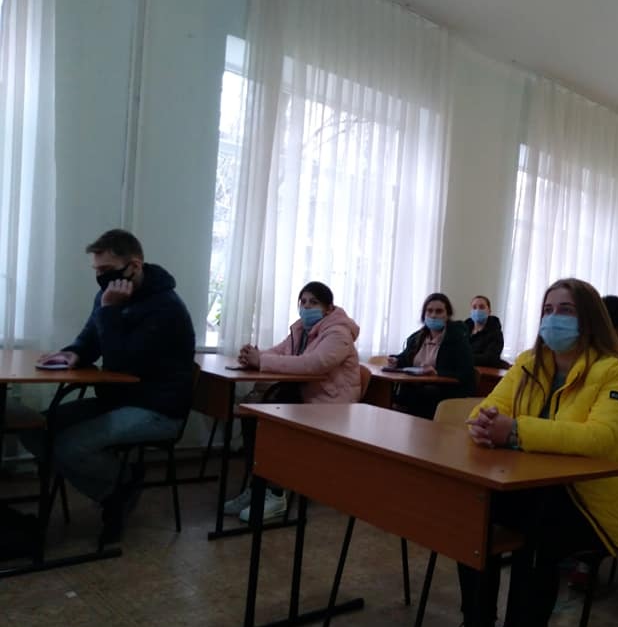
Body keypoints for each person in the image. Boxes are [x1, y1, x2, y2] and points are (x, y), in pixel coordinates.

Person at [423, 278, 618, 627]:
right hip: (537, 486)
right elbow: (485, 409)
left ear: (589, 319)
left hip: (599, 496)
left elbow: (601, 438)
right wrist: (484, 424)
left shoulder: (617, 371)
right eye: (547, 310)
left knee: (539, 539)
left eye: (566, 310)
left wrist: (514, 431)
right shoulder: (531, 362)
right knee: (472, 517)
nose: (553, 318)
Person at [26, 229, 195, 540]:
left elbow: (120, 364)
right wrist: (72, 353)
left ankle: (119, 487)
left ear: (134, 266)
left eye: (106, 269)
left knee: (69, 446)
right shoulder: (110, 297)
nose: (100, 278)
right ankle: (119, 485)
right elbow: (90, 339)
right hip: (119, 399)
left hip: (158, 409)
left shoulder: (166, 308)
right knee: (35, 428)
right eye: (97, 270)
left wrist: (110, 309)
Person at [223, 282, 362, 522]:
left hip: (330, 406)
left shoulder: (339, 333)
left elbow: (314, 364)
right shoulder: (300, 329)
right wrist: (254, 356)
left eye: (313, 302)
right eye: (303, 302)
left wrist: (262, 362)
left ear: (328, 308)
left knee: (273, 421)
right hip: (306, 398)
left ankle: (276, 493)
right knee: (253, 413)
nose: (306, 307)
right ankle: (259, 485)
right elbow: (279, 352)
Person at [388, 293, 475, 419]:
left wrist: (437, 373)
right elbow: (406, 357)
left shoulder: (457, 339)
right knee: (394, 392)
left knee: (422, 394)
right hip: (418, 387)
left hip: (447, 391)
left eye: (439, 311)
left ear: (447, 315)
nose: (433, 315)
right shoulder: (416, 338)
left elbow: (466, 372)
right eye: (429, 311)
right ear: (424, 314)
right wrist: (396, 360)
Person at [464, 295, 505, 367]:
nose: (477, 310)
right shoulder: (463, 329)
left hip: (484, 371)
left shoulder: (496, 333)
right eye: (474, 307)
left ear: (489, 311)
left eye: (482, 307)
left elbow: (490, 358)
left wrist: (463, 358)